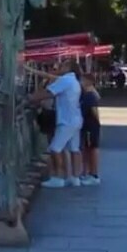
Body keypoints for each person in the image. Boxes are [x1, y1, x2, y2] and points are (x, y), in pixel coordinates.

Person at [37, 60, 83, 188]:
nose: (61, 67)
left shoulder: (66, 80)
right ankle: (75, 177)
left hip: (66, 120)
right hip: (76, 119)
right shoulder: (74, 81)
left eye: (63, 65)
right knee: (74, 148)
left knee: (54, 148)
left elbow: (49, 93)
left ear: (69, 67)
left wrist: (31, 98)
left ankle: (58, 177)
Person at [80, 74, 102, 186]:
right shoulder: (88, 94)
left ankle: (94, 174)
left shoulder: (90, 96)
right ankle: (89, 172)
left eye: (82, 80)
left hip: (90, 125)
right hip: (88, 126)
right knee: (88, 150)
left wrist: (97, 122)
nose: (80, 82)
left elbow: (94, 111)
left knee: (92, 149)